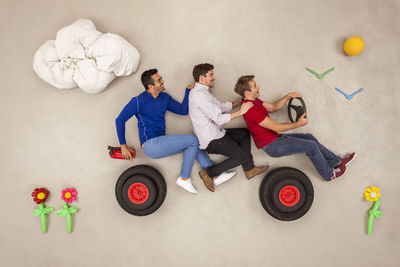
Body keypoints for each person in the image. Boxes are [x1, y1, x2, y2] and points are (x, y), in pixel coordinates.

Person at [115, 69, 236, 194]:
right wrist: (123, 146)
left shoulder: (164, 98)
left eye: (161, 78)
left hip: (161, 143)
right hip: (150, 145)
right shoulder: (138, 101)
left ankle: (214, 175)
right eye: (159, 80)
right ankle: (184, 178)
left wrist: (187, 91)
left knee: (194, 145)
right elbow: (119, 120)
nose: (163, 81)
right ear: (150, 86)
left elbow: (183, 111)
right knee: (193, 141)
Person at [233, 75, 355, 181]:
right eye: (255, 86)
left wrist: (288, 96)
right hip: (273, 145)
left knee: (309, 138)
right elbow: (276, 127)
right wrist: (298, 124)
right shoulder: (251, 110)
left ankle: (335, 162)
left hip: (275, 139)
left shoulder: (253, 101)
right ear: (247, 93)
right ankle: (328, 175)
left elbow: (274, 107)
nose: (258, 86)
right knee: (311, 146)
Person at [189, 64, 269, 192]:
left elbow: (219, 107)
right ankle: (208, 173)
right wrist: (240, 112)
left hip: (217, 133)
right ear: (202, 77)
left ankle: (249, 169)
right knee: (242, 156)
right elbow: (219, 118)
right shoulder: (199, 96)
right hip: (211, 140)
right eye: (211, 75)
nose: (214, 77)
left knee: (244, 133)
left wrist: (237, 103)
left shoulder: (204, 92)